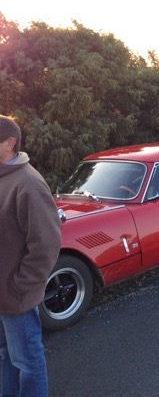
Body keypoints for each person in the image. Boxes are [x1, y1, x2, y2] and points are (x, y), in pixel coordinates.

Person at [0, 115, 61, 397]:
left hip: (15, 296)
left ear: (9, 143)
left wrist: (19, 288)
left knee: (28, 361)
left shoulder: (29, 184)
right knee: (5, 356)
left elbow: (46, 246)